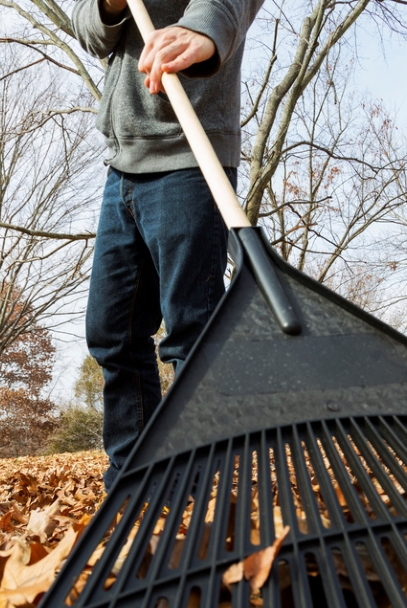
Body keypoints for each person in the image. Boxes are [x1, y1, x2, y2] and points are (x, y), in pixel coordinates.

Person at [73, 0, 263, 489]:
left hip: (189, 153)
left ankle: (204, 481)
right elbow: (92, 32)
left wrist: (202, 30)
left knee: (190, 329)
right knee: (112, 333)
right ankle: (134, 479)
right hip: (122, 164)